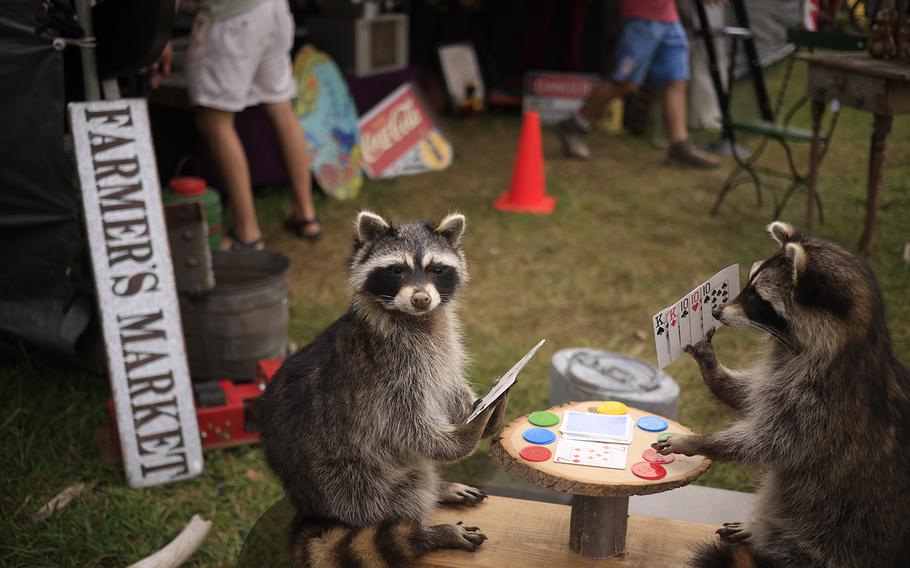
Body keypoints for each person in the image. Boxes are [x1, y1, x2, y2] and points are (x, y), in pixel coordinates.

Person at [185, 0, 321, 249]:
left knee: (214, 121)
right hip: (272, 9)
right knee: (281, 107)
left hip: (231, 17)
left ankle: (247, 232)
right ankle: (306, 213)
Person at [556, 0, 720, 168]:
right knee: (626, 83)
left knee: (676, 81)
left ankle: (679, 145)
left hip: (668, 18)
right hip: (642, 17)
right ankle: (574, 124)